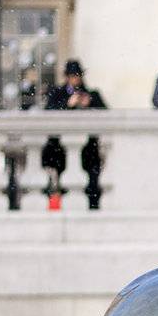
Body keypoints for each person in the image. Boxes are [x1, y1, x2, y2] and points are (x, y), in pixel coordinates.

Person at [41, 60, 108, 208]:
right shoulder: (58, 94)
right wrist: (67, 105)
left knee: (91, 183)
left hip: (88, 149)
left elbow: (105, 114)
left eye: (77, 75)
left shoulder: (92, 94)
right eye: (72, 75)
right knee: (60, 184)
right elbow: (48, 114)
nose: (76, 79)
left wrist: (89, 104)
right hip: (61, 150)